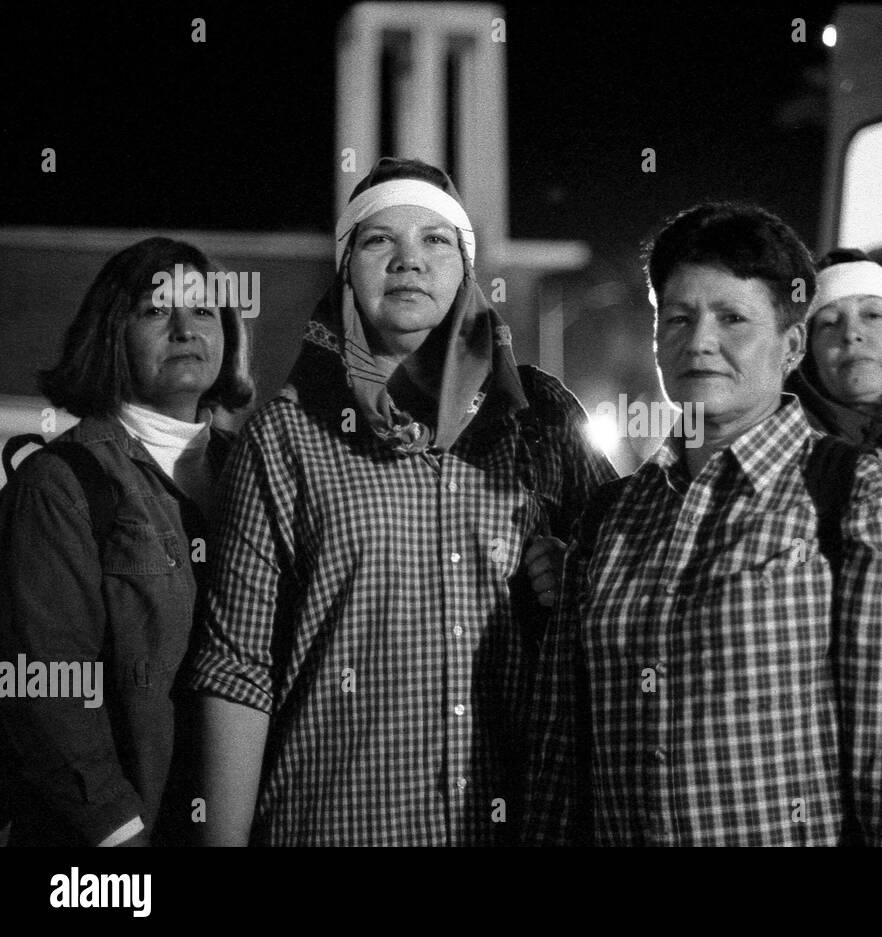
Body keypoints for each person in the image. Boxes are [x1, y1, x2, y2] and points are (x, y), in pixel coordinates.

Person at [188, 157, 615, 846]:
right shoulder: (289, 436)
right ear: (347, 266)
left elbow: (633, 601)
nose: (408, 261)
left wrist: (578, 578)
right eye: (379, 240)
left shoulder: (541, 420)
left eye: (436, 241)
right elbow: (236, 669)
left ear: (466, 268)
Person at [526, 202, 882, 846]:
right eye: (678, 318)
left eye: (733, 318)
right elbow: (559, 750)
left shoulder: (851, 497)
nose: (700, 342)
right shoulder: (611, 517)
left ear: (792, 343)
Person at [0, 236, 253, 846]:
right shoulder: (59, 485)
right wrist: (120, 833)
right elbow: (46, 684)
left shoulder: (257, 472)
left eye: (203, 310)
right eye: (156, 310)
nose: (185, 328)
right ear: (111, 334)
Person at [787, 250, 882, 508]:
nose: (851, 333)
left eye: (872, 315)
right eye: (829, 323)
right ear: (808, 357)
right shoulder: (776, 457)